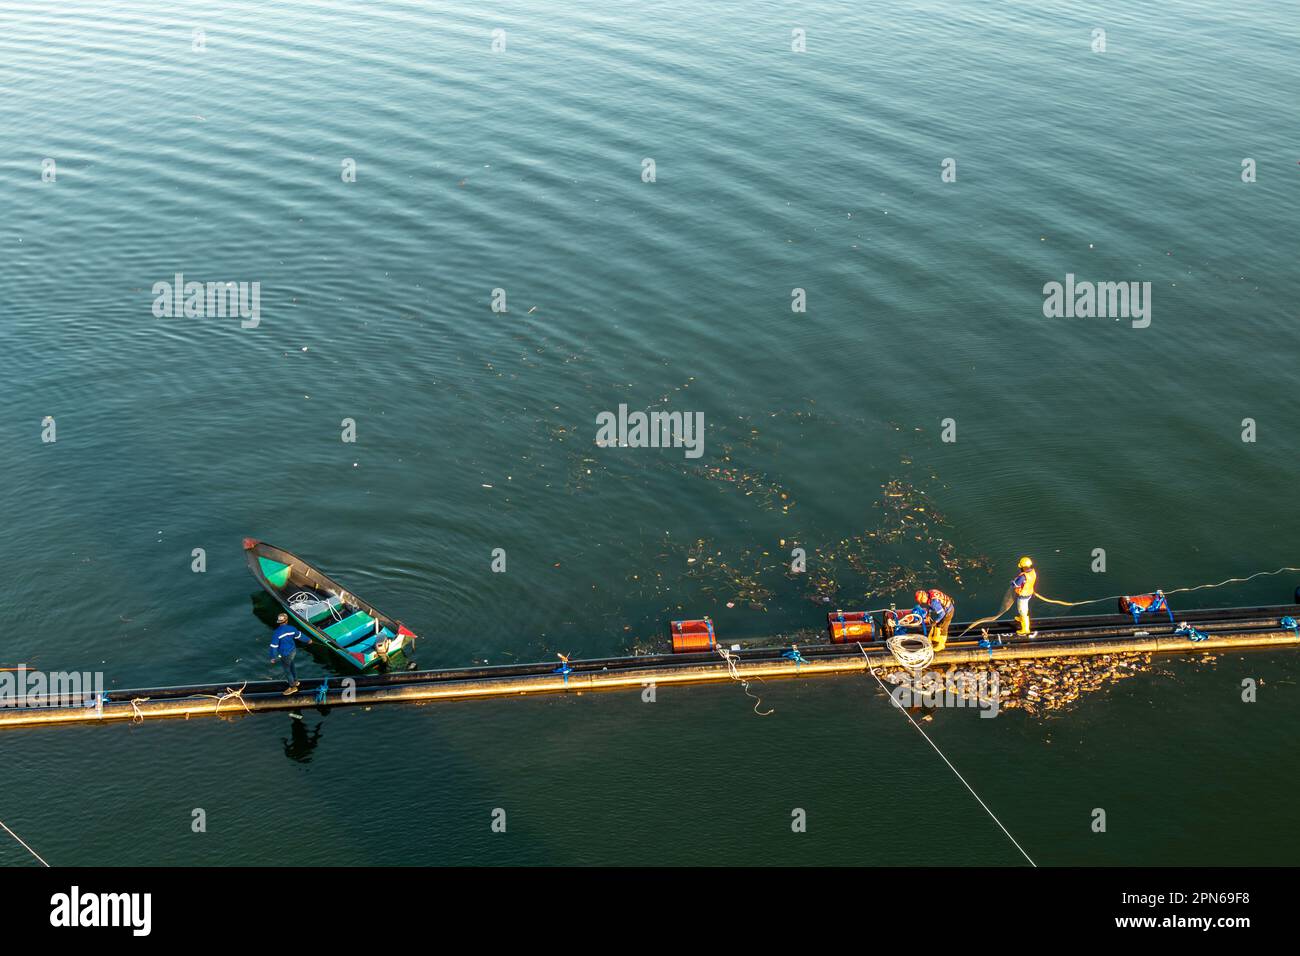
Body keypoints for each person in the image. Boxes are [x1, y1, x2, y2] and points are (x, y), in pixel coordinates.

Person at [268, 613, 312, 695]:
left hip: (285, 654)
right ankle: (296, 681)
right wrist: (308, 640)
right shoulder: (292, 628)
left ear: (279, 622)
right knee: (292, 665)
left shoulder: (277, 633)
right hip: (293, 651)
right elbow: (299, 635)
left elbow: (274, 646)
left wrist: (272, 657)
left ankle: (292, 687)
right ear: (286, 620)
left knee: (287, 671)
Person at [1012, 557, 1037, 635]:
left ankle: (1025, 629)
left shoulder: (1023, 576)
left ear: (1023, 567)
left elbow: (1015, 585)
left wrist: (1012, 582)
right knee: (1024, 608)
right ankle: (1021, 618)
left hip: (1023, 596)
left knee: (1022, 610)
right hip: (1029, 593)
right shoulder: (1033, 572)